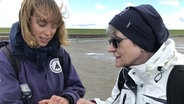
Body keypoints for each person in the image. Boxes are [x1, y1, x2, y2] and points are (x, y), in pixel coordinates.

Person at [77, 4, 184, 104]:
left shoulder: (179, 79)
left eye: (116, 41)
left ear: (142, 41)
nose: (110, 49)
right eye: (109, 42)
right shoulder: (127, 73)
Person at [0, 0, 85, 104]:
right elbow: (8, 101)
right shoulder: (6, 58)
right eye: (42, 24)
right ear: (26, 21)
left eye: (54, 26)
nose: (49, 33)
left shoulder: (60, 54)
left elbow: (76, 86)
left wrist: (66, 99)